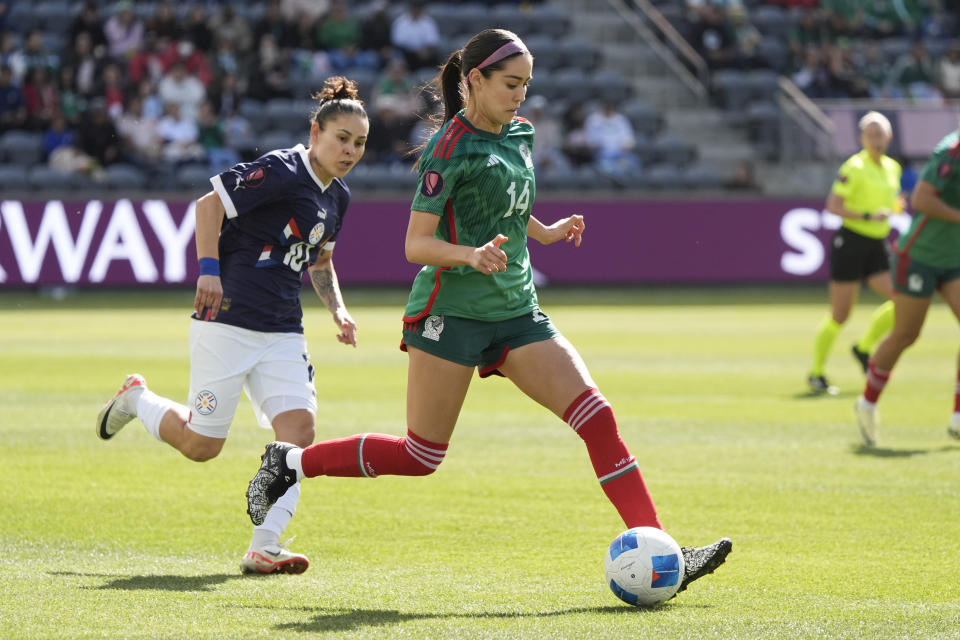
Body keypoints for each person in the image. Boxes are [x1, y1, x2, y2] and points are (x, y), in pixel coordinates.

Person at [244, 29, 732, 595]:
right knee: (421, 455)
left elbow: (506, 206)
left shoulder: (519, 134)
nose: (521, 95)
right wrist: (471, 256)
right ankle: (292, 464)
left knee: (597, 418)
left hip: (517, 308)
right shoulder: (447, 149)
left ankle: (659, 551)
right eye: (510, 83)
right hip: (450, 311)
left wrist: (544, 231)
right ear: (474, 80)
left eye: (526, 84)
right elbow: (416, 246)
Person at [95, 77, 369, 575]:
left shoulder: (339, 198)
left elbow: (321, 261)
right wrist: (209, 271)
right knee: (202, 446)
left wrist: (338, 311)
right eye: (342, 138)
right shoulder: (283, 170)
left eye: (359, 143)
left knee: (299, 432)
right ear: (316, 131)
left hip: (284, 330)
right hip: (226, 323)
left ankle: (265, 546)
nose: (350, 149)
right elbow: (209, 205)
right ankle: (137, 398)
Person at [855, 122, 960, 445]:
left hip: (955, 258)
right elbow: (922, 199)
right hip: (920, 255)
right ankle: (867, 403)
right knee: (906, 334)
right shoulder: (952, 150)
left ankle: (958, 415)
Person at [808, 111, 901, 395]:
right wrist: (867, 214)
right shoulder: (854, 167)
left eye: (879, 133)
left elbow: (889, 202)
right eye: (870, 134)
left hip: (876, 243)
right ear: (862, 138)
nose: (875, 139)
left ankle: (863, 348)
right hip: (851, 242)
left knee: (902, 300)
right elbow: (833, 205)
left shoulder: (892, 168)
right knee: (840, 314)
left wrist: (895, 208)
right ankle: (816, 372)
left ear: (889, 136)